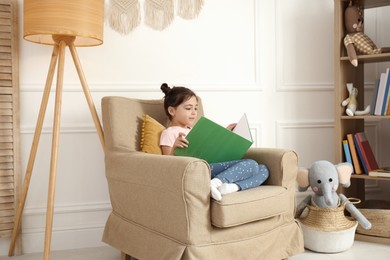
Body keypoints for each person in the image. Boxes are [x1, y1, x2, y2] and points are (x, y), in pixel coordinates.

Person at [159, 83, 269, 201]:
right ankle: (215, 183)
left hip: (211, 166)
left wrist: (225, 135)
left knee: (263, 169)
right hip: (197, 171)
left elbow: (208, 147)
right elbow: (167, 165)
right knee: (251, 164)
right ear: (171, 110)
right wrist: (175, 146)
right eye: (188, 108)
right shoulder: (169, 133)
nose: (194, 113)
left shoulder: (195, 130)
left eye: (195, 108)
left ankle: (232, 187)